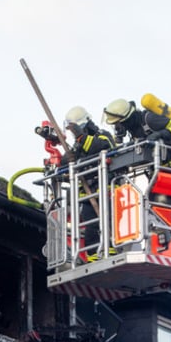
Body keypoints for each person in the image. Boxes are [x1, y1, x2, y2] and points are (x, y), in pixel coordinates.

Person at [62, 106, 115, 260]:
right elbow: (65, 162)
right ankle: (93, 256)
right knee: (91, 226)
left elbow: (103, 147)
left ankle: (109, 251)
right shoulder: (78, 145)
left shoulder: (103, 136)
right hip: (87, 195)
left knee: (107, 221)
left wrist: (82, 139)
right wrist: (69, 158)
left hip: (106, 190)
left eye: (77, 130)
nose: (75, 134)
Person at [102, 98, 171, 169]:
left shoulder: (149, 119)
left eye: (118, 123)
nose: (117, 127)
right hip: (155, 166)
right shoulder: (133, 129)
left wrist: (159, 134)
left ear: (126, 119)